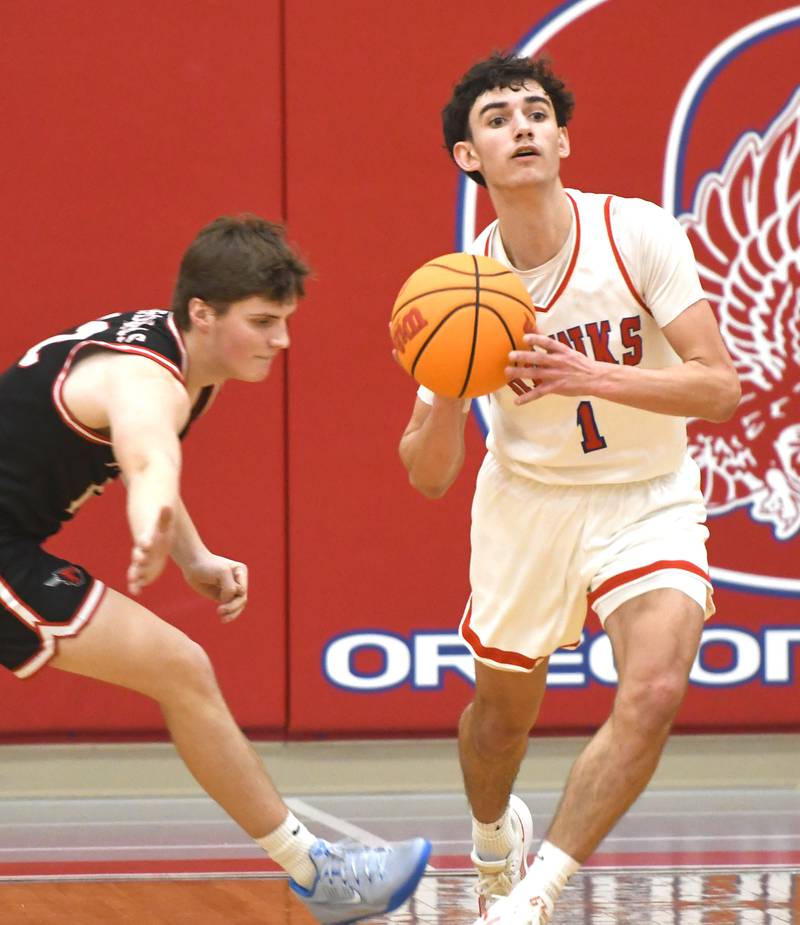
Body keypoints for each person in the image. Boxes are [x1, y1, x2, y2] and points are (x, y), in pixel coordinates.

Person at [0, 214, 430, 924]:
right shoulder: (148, 378)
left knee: (182, 668)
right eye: (263, 322)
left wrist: (190, 554)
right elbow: (146, 452)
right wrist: (149, 516)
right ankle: (318, 872)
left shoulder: (192, 358)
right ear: (202, 312)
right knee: (183, 666)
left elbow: (153, 452)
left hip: (14, 540)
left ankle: (315, 871)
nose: (281, 340)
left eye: (286, 320)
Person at [398, 53, 740, 924]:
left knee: (657, 688)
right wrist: (444, 393)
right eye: (498, 117)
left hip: (647, 492)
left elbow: (719, 386)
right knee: (499, 720)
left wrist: (593, 374)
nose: (522, 125)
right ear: (467, 157)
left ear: (563, 139)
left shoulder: (637, 233)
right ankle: (490, 839)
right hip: (531, 500)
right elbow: (430, 476)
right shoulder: (463, 288)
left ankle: (535, 894)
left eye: (537, 112)